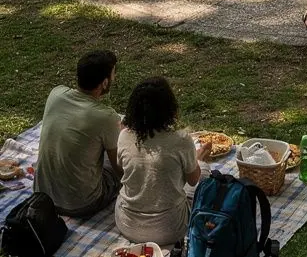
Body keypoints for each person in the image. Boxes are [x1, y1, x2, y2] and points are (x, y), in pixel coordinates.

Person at [115, 78, 211, 246]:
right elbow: (193, 180)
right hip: (170, 228)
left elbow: (123, 168)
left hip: (127, 225)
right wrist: (197, 160)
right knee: (204, 171)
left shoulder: (124, 136)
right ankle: (199, 160)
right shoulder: (181, 139)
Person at [35, 50, 122, 217]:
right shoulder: (107, 117)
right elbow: (118, 167)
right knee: (120, 155)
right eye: (113, 75)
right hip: (82, 204)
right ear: (104, 83)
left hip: (43, 197)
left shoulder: (56, 93)